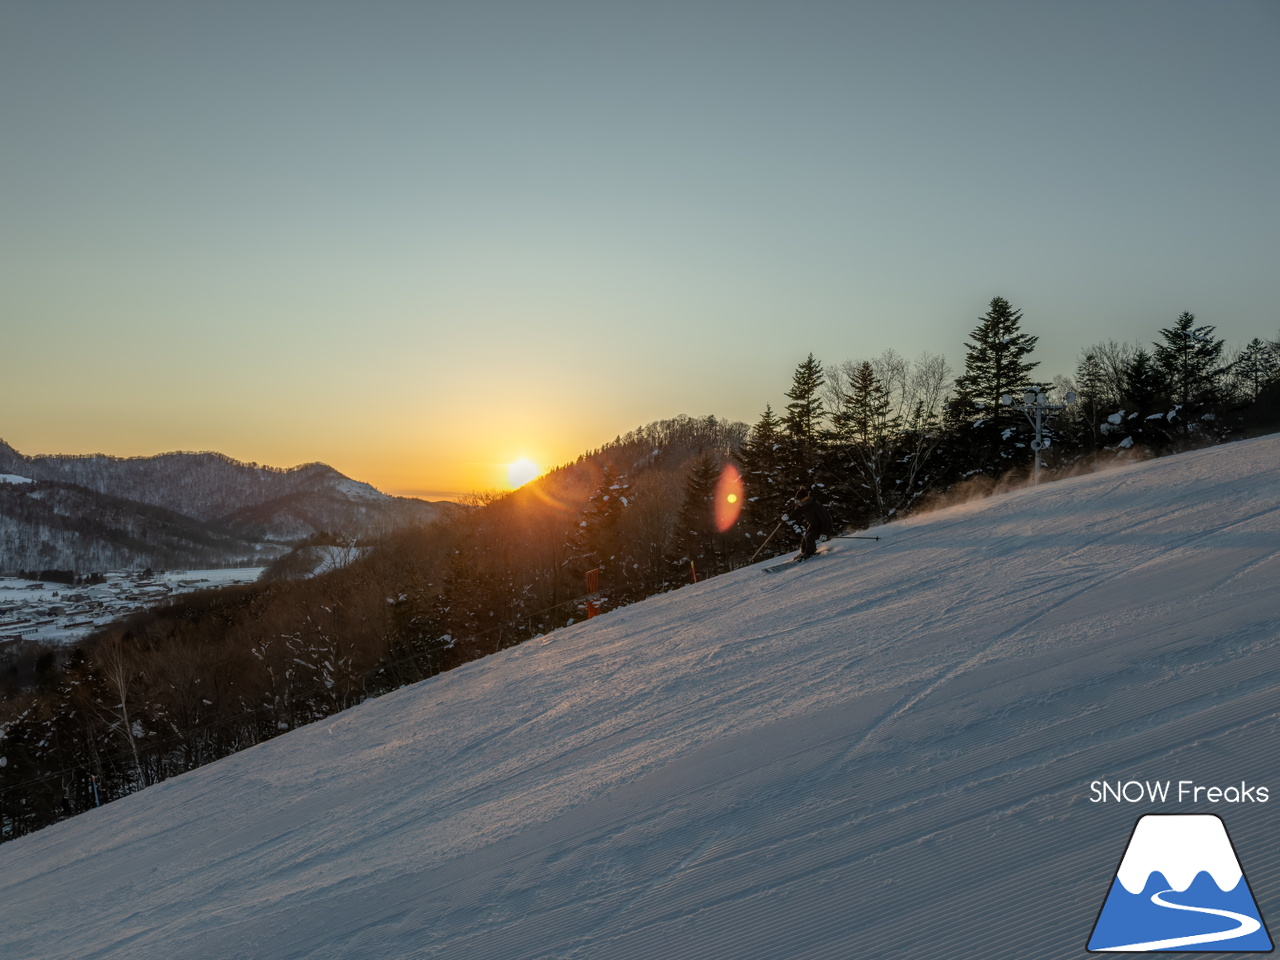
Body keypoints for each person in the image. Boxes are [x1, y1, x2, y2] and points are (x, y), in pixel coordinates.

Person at [789, 486, 834, 560]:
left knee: (810, 537)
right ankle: (803, 552)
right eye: (796, 501)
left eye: (798, 501)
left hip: (823, 526)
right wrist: (788, 517)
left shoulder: (816, 507)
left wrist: (824, 533)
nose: (797, 503)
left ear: (804, 499)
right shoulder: (802, 506)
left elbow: (826, 521)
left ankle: (810, 553)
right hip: (814, 525)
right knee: (805, 537)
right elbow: (796, 512)